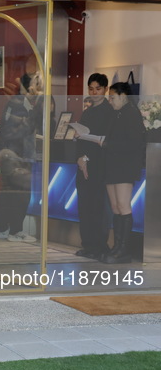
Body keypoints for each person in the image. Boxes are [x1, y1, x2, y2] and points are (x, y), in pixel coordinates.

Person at [0, 60, 44, 243]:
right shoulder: (18, 105)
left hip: (14, 154)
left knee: (11, 193)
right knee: (20, 194)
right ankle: (14, 230)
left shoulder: (20, 104)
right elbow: (14, 131)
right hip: (16, 154)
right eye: (36, 86)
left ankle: (4, 228)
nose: (38, 90)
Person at [101, 82, 145, 263]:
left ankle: (124, 249)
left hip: (125, 166)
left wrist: (108, 144)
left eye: (112, 97)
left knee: (123, 205)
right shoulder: (116, 114)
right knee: (115, 207)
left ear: (123, 96)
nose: (110, 101)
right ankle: (117, 245)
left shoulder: (131, 113)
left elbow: (135, 144)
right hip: (112, 165)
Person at [74, 73, 114, 261]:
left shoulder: (110, 111)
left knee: (98, 207)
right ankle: (88, 244)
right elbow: (81, 138)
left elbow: (107, 141)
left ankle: (99, 246)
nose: (94, 92)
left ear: (105, 89)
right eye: (91, 89)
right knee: (84, 205)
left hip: (99, 165)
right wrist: (81, 157)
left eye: (98, 89)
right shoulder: (87, 111)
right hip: (83, 164)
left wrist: (89, 156)